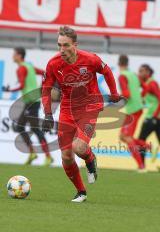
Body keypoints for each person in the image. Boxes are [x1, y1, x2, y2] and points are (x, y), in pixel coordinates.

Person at [41, 26, 121, 202]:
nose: (62, 50)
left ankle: (90, 159)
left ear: (75, 44)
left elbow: (106, 71)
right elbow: (46, 90)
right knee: (66, 156)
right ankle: (81, 192)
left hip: (90, 105)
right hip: (67, 109)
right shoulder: (53, 64)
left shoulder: (90, 59)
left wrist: (114, 93)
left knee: (79, 148)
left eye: (66, 45)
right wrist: (47, 113)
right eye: (59, 45)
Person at [2, 47, 53, 166]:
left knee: (34, 129)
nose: (12, 56)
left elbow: (21, 85)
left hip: (31, 102)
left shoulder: (21, 68)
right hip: (31, 101)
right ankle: (33, 153)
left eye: (14, 54)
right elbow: (45, 73)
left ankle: (48, 157)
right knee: (20, 127)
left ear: (19, 55)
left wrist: (8, 89)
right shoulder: (29, 66)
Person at [118, 55, 150, 172]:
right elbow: (145, 87)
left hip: (133, 110)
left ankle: (141, 166)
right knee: (122, 136)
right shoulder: (133, 75)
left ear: (119, 64)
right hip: (137, 108)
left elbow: (127, 94)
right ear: (127, 63)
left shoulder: (122, 76)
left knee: (127, 137)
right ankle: (145, 145)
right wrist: (140, 98)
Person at [138, 64, 160, 163]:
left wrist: (155, 115)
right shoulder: (147, 84)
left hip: (152, 117)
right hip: (155, 118)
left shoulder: (152, 83)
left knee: (140, 140)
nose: (139, 73)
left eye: (141, 71)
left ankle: (142, 166)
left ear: (147, 72)